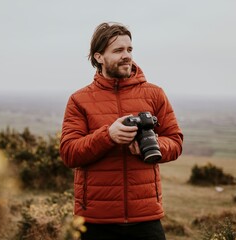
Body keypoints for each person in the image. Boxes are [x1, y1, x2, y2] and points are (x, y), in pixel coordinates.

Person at [59, 22, 183, 240]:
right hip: (95, 220)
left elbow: (175, 141)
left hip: (145, 217)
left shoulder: (155, 94)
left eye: (129, 49)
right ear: (98, 57)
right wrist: (108, 136)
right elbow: (69, 153)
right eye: (118, 50)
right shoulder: (79, 100)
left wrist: (152, 145)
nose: (127, 56)